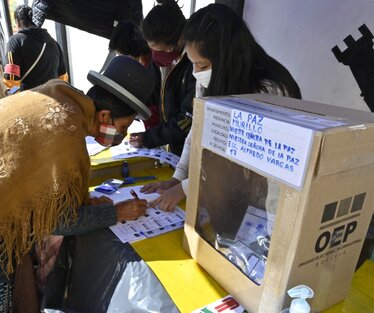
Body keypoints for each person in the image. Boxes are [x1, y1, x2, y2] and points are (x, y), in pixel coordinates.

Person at [0, 56, 155, 312]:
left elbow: (40, 187)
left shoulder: (61, 98)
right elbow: (58, 221)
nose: (121, 135)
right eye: (123, 127)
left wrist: (84, 203)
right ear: (105, 115)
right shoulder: (65, 129)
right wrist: (115, 212)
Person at [141, 3, 301, 211]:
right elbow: (196, 131)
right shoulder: (209, 79)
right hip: (229, 194)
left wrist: (185, 188)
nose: (197, 73)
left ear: (227, 56)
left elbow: (240, 157)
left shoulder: (270, 91)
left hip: (266, 202)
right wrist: (178, 178)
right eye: (193, 64)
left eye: (203, 65)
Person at [129, 0, 196, 156]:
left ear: (180, 39)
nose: (156, 55)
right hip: (171, 145)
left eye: (161, 50)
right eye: (152, 49)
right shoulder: (158, 59)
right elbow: (151, 93)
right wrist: (130, 109)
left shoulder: (195, 64)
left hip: (188, 148)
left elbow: (186, 121)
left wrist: (149, 138)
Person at [109, 20, 160, 129]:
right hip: (144, 126)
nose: (123, 60)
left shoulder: (156, 63)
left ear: (132, 50)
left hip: (158, 127)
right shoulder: (135, 65)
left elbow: (160, 106)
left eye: (123, 55)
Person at [5, 5, 67, 90]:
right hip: (53, 99)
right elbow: (63, 78)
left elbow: (11, 80)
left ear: (17, 22)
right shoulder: (54, 43)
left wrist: (15, 98)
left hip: (31, 100)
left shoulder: (15, 41)